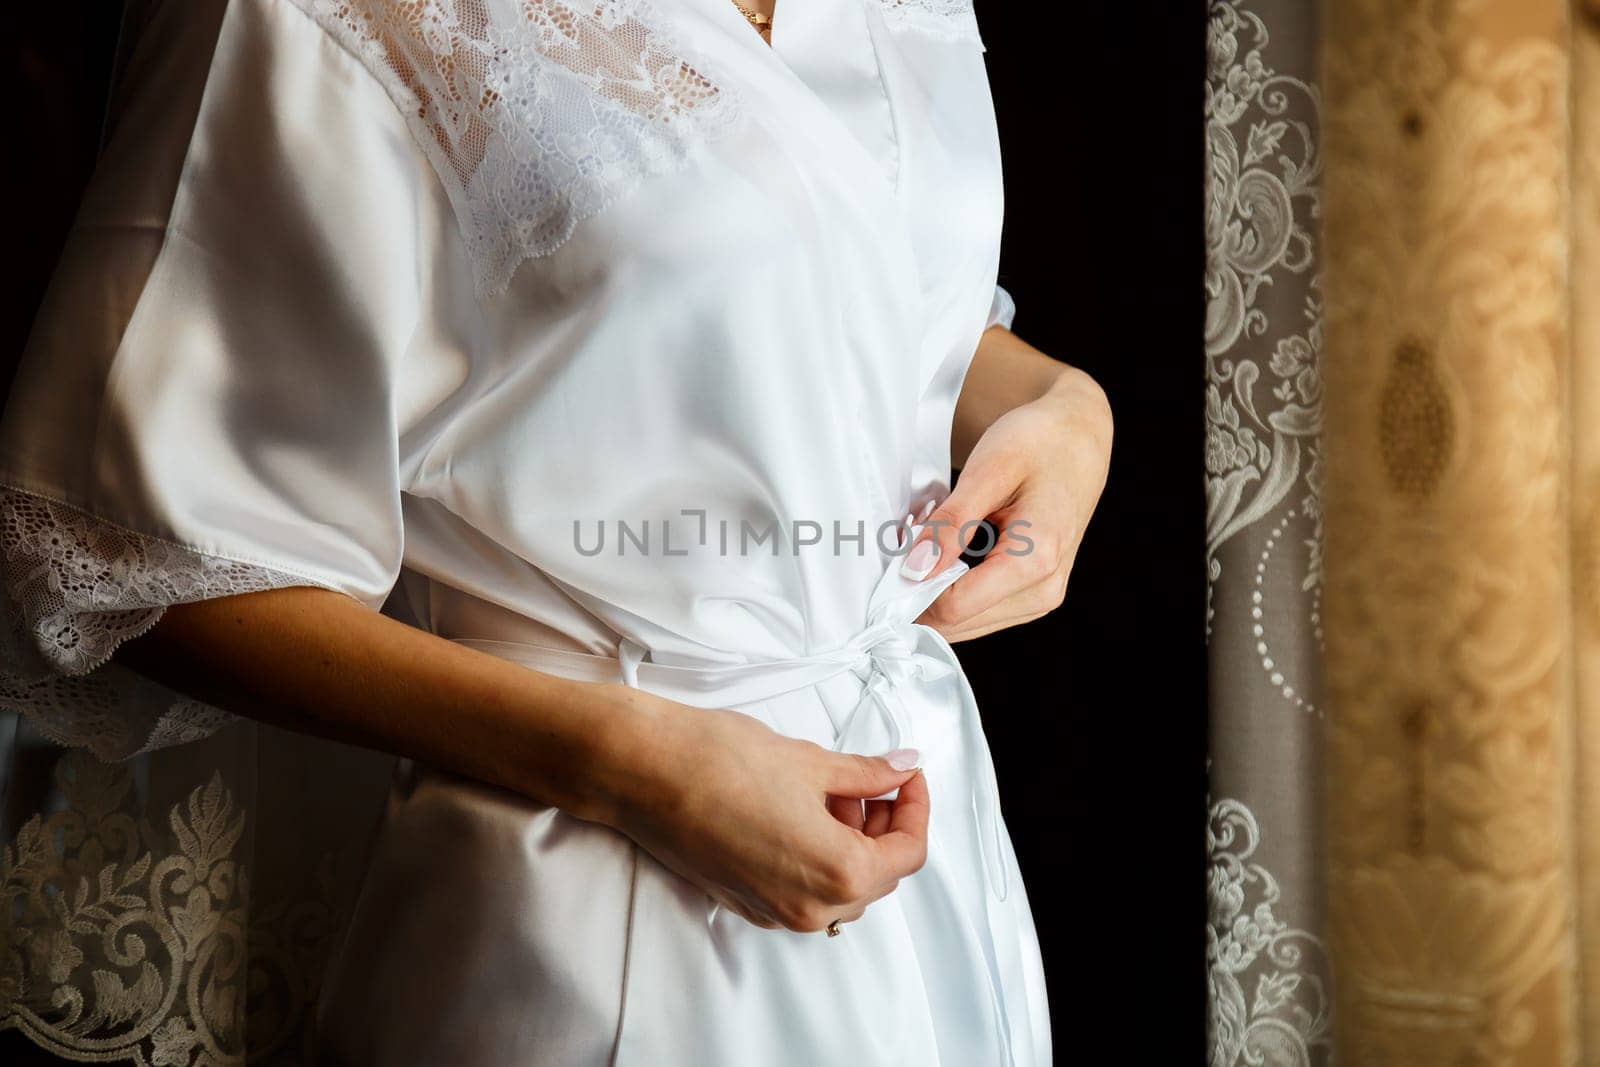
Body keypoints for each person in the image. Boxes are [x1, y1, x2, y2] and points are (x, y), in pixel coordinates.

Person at [0, 0, 1111, 1064]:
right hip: (585, 897)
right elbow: (118, 560)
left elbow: (848, 294)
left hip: (928, 856)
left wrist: (1067, 404)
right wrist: (629, 764)